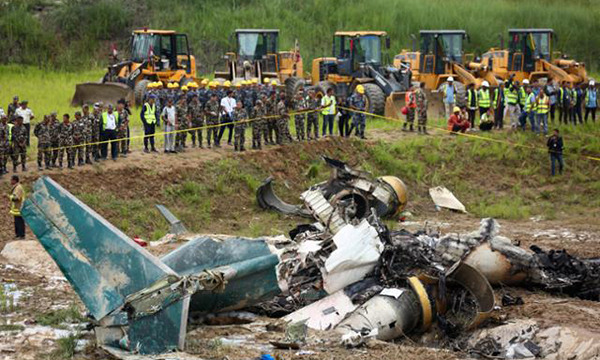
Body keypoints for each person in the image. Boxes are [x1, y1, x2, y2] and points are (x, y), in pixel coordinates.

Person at [9, 175, 25, 239]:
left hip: (19, 208)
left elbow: (17, 198)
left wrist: (10, 197)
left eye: (11, 180)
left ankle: (21, 235)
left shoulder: (18, 188)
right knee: (17, 222)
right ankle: (18, 234)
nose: (10, 181)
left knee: (19, 222)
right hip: (16, 209)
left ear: (14, 180)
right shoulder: (16, 187)